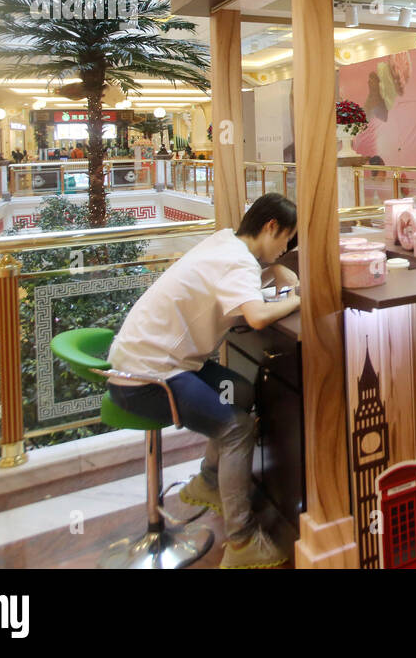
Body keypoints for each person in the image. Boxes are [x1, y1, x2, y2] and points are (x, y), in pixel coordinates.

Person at [107, 193, 302, 568]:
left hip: (149, 362)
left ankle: (210, 481)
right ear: (270, 227)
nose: (286, 249)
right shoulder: (238, 262)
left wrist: (273, 269)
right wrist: (297, 299)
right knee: (237, 429)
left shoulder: (226, 242)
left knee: (241, 392)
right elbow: (258, 317)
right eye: (286, 240)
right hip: (148, 378)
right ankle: (242, 542)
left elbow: (239, 287)